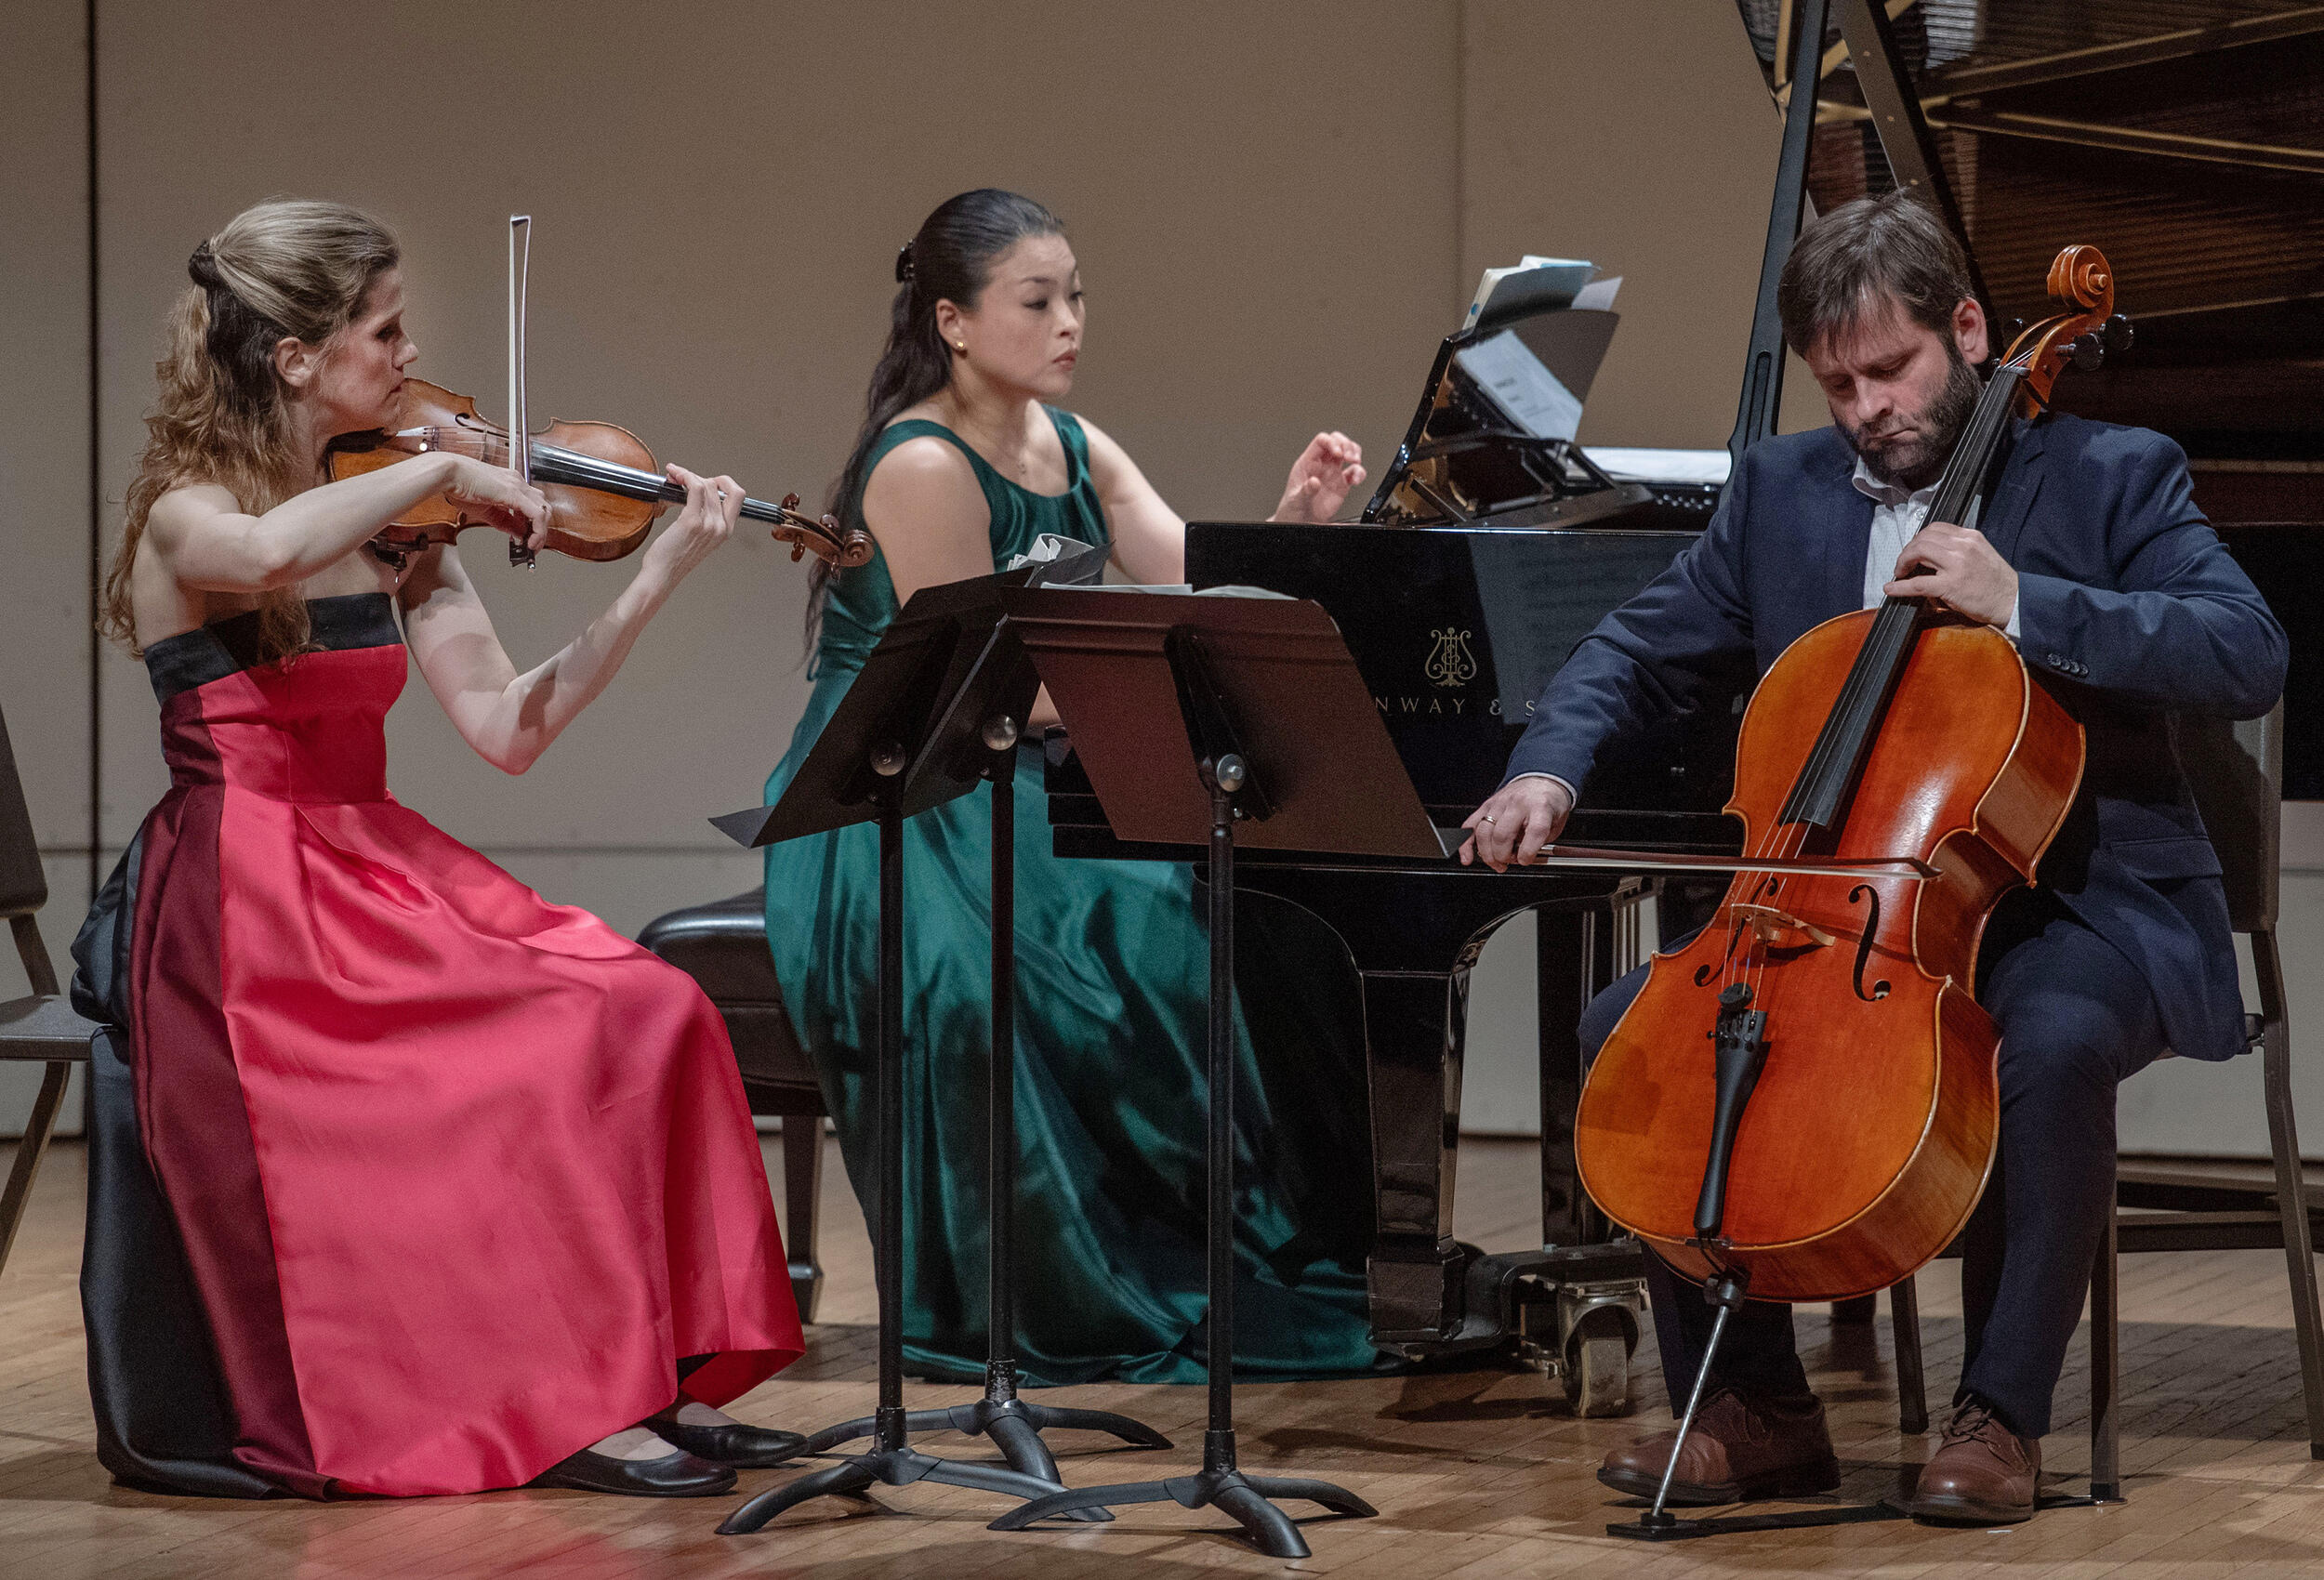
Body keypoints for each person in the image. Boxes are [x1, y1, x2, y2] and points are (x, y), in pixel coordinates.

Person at [1462, 191, 2285, 1524]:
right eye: (1838, 384)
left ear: (1967, 332)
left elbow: (2245, 652)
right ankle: (1757, 1405)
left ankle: (2003, 1414)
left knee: (2053, 1039)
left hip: (2083, 896)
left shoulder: (2111, 472)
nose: (1865, 409)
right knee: (1641, 1032)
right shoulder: (1779, 494)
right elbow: (1630, 646)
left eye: (1892, 370)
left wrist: (2024, 602)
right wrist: (1547, 767)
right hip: (1847, 909)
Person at [73, 199, 806, 1501]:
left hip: (373, 865)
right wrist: (448, 469)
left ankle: (648, 1377)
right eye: (384, 331)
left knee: (646, 1007)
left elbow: (505, 728)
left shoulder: (394, 526)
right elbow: (260, 550)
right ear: (294, 356)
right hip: (248, 899)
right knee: (521, 1064)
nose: (410, 363)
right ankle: (565, 1405)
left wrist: (654, 578)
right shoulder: (193, 518)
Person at [765, 188, 1378, 1384]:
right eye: (1037, 300)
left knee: (1179, 934)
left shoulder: (1077, 443)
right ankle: (1034, 1291)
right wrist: (1139, 696)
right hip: (897, 795)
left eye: (1076, 295)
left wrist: (1297, 517)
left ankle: (1174, 1255)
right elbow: (976, 683)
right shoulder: (921, 462)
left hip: (1026, 771)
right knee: (994, 978)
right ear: (951, 320)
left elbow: (1186, 584)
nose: (1068, 321)